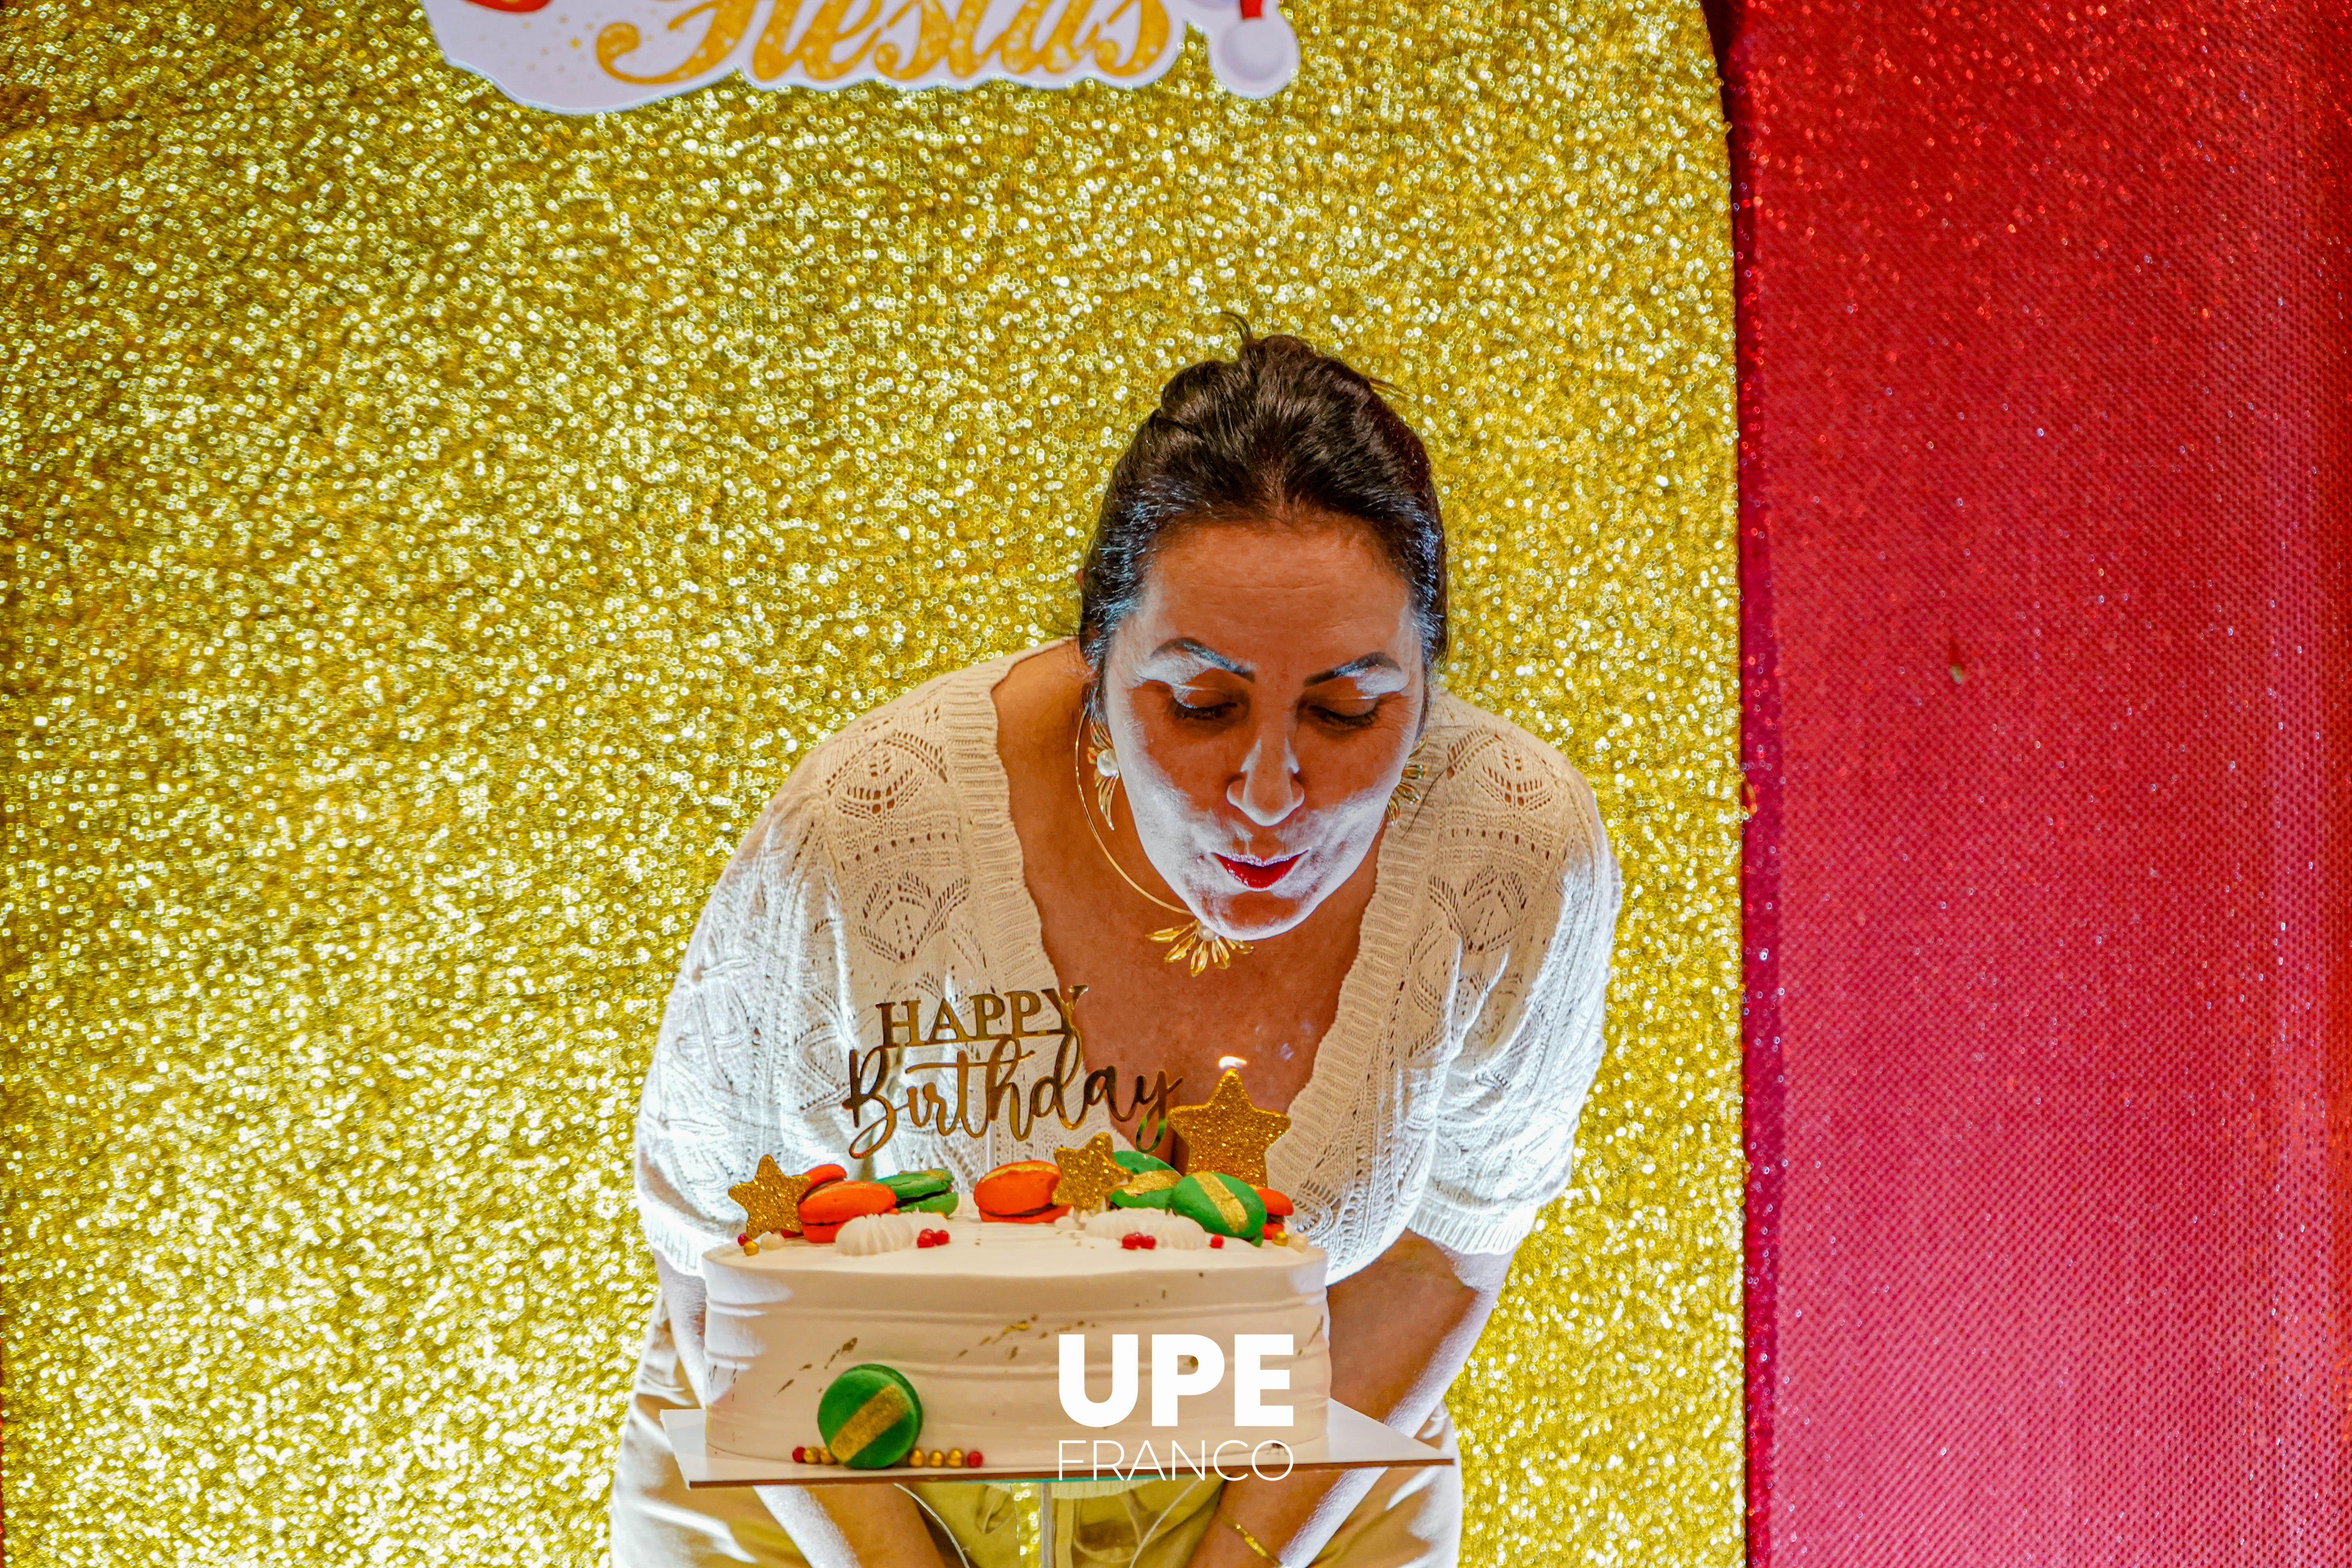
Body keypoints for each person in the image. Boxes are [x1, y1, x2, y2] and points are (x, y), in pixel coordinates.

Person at [610, 332, 1621, 1568]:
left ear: (1429, 676)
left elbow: (1432, 1254)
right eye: (1200, 706)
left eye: (1348, 711)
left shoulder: (1513, 851)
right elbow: (728, 1268)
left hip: (1284, 1451)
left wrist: (1234, 1560)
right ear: (1099, 664)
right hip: (824, 1446)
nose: (1267, 792)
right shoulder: (868, 838)